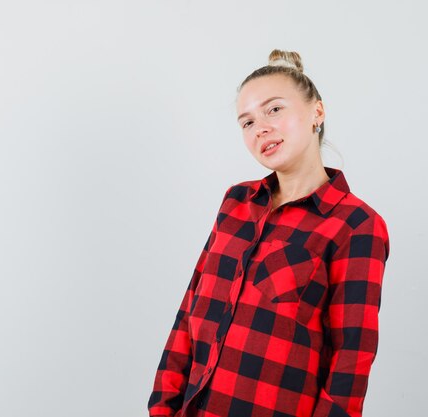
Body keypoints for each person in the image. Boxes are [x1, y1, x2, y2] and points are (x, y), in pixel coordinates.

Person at [147, 49, 390, 417]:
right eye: (246, 122)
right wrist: (162, 407)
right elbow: (189, 313)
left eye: (274, 109)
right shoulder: (235, 203)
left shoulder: (356, 225)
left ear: (317, 113)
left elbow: (350, 361)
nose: (260, 127)